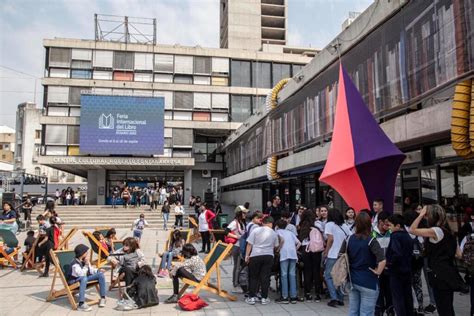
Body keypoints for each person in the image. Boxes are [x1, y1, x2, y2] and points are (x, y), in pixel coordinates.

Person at [410, 205, 462, 316]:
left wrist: (420, 215)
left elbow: (412, 229)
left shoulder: (436, 231)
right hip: (448, 273)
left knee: (443, 308)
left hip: (439, 275)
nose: (425, 218)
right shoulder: (449, 231)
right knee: (447, 307)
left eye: (427, 215)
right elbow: (458, 254)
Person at [347, 212, 386, 316]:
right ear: (369, 224)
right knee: (366, 313)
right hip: (369, 280)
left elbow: (341, 256)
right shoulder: (371, 240)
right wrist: (378, 272)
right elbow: (382, 259)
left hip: (352, 280)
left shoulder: (349, 239)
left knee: (353, 311)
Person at [245, 216, 280, 305]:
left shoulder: (256, 231)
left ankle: (252, 297)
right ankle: (264, 298)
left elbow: (249, 244)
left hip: (256, 255)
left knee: (253, 277)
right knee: (265, 277)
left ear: (263, 222)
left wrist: (247, 256)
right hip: (268, 256)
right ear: (270, 223)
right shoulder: (273, 233)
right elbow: (276, 246)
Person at [386, 214, 414, 316]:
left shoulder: (395, 236)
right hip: (407, 270)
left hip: (396, 271)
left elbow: (396, 253)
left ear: (397, 226)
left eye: (390, 225)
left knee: (398, 298)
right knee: (407, 296)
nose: (389, 228)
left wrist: (389, 263)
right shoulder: (407, 236)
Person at [323, 208, 352, 307]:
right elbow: (349, 238)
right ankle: (340, 298)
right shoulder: (344, 225)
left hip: (332, 254)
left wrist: (326, 251)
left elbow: (330, 239)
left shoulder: (329, 225)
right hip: (342, 254)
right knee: (340, 276)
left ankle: (334, 298)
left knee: (328, 275)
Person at [67, 244, 107, 311]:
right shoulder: (75, 263)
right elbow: (80, 274)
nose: (87, 253)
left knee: (100, 274)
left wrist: (98, 270)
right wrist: (86, 265)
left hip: (83, 278)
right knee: (84, 278)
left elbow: (90, 270)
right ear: (82, 253)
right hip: (74, 280)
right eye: (86, 252)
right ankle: (81, 304)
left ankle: (103, 298)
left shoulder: (84, 260)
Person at [298, 209, 324, 301]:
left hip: (305, 249)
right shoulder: (317, 223)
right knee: (316, 270)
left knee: (307, 271)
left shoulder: (302, 225)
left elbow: (300, 238)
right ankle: (318, 293)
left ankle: (307, 293)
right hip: (316, 249)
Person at [404, 209, 426, 314]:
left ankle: (412, 307)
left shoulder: (404, 231)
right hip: (418, 262)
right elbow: (423, 247)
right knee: (418, 285)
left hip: (407, 263)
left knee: (408, 285)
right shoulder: (419, 232)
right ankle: (420, 307)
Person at [275, 219, 301, 304]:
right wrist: (294, 249)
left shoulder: (277, 232)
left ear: (277, 226)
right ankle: (293, 296)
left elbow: (279, 242)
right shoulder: (290, 233)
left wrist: (278, 250)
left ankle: (285, 297)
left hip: (284, 254)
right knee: (292, 274)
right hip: (293, 254)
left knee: (284, 275)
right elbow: (299, 243)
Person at [225, 210, 246, 293]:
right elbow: (226, 231)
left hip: (241, 246)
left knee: (240, 266)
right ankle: (235, 285)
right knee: (237, 266)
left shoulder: (242, 222)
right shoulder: (234, 222)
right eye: (243, 213)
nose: (245, 214)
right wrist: (236, 237)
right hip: (236, 247)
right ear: (239, 214)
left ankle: (239, 282)